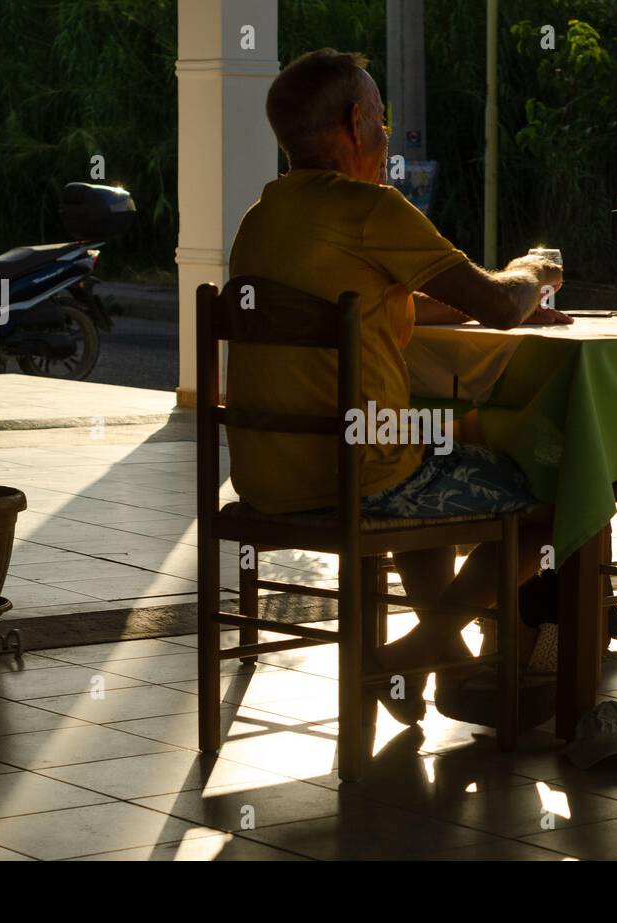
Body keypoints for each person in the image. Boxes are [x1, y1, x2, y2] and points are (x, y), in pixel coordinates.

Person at [226, 48, 567, 724]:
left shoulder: (261, 220)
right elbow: (499, 305)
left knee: (430, 456)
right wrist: (533, 273)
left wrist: (495, 297)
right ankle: (416, 652)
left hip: (267, 478)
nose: (385, 137)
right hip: (361, 474)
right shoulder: (368, 209)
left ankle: (436, 668)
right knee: (561, 495)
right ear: (356, 123)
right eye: (381, 121)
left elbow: (364, 303)